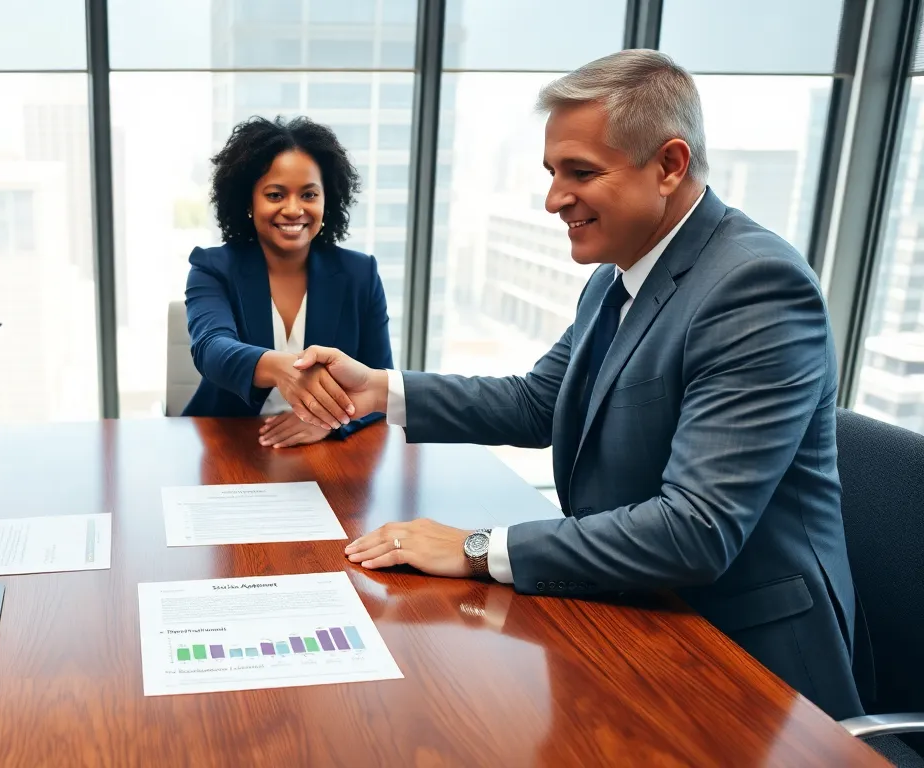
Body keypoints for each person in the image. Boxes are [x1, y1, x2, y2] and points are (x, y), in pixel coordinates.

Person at [291, 51, 864, 720]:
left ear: (670, 165)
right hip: (637, 617)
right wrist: (382, 391)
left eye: (581, 172)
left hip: (747, 668)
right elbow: (542, 402)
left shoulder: (756, 286)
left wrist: (478, 550)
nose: (554, 198)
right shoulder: (617, 276)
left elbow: (696, 530)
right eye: (552, 172)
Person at [182, 116, 393, 449]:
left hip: (328, 452)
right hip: (229, 443)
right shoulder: (212, 267)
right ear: (248, 202)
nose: (294, 209)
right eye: (276, 194)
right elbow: (211, 349)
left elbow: (382, 383)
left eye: (309, 195)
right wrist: (282, 369)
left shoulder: (360, 273)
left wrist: (329, 421)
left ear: (328, 200)